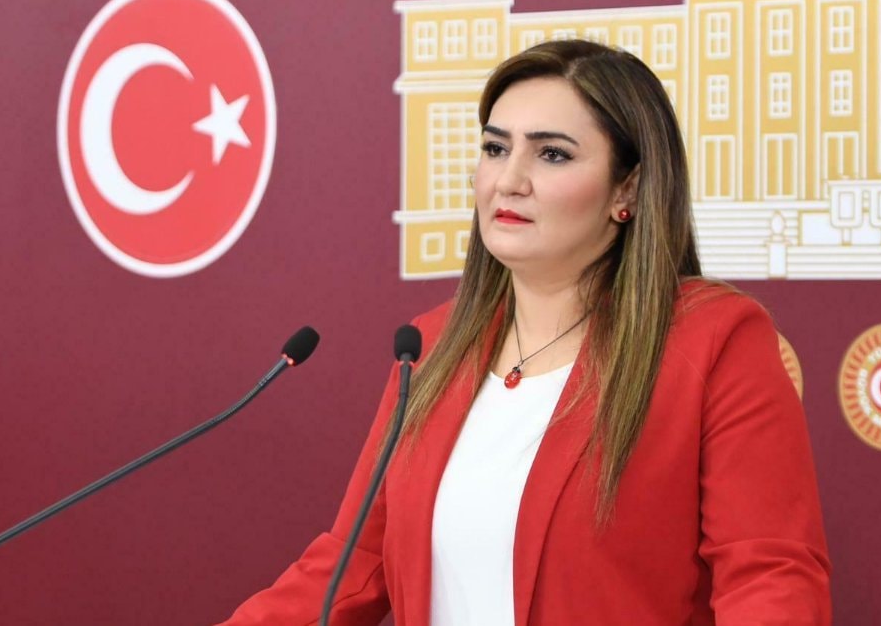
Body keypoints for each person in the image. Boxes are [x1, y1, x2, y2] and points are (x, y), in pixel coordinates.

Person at [219, 40, 831, 625]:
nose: (508, 180)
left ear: (629, 188)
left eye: (552, 154)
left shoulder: (713, 340)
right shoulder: (431, 348)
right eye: (495, 148)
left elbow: (768, 578)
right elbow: (357, 561)